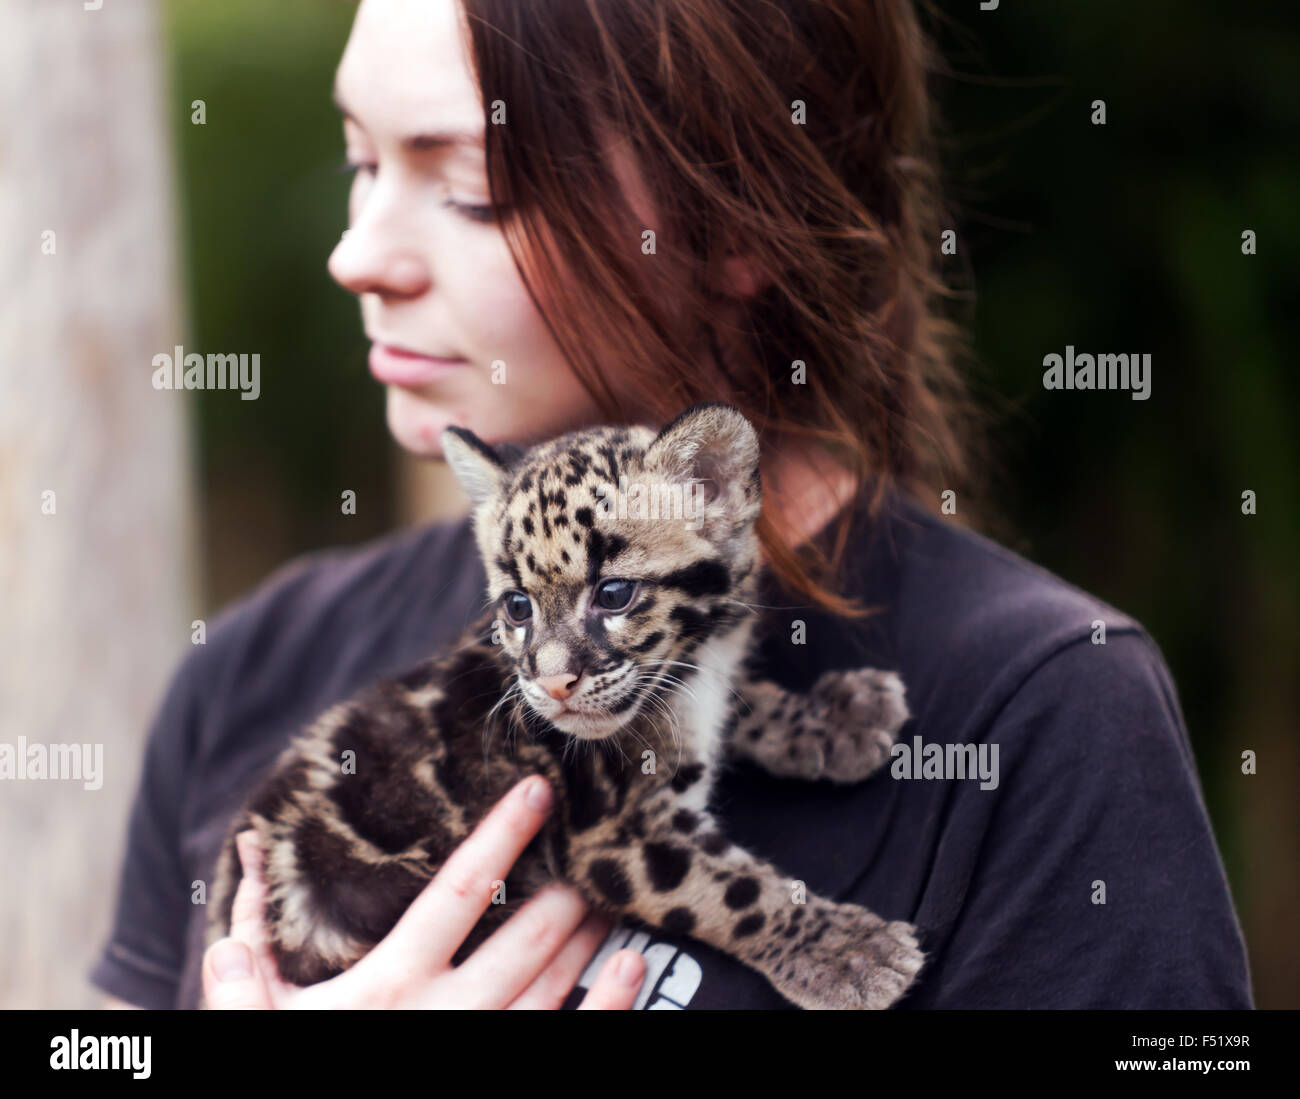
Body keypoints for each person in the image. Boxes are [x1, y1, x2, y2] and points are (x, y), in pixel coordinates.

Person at [91, 0, 1252, 1010]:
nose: (355, 255)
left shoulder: (1042, 710)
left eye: (469, 191)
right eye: (358, 159)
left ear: (736, 218)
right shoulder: (251, 666)